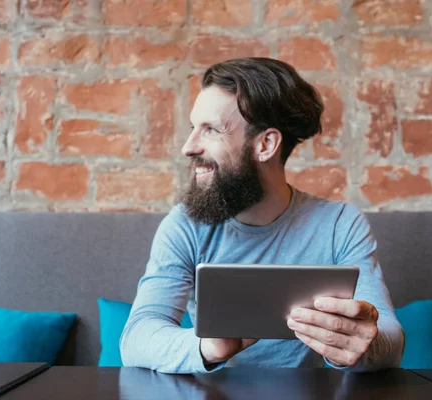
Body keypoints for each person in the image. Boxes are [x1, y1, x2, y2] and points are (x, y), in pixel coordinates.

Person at [120, 57, 405, 374]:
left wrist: (360, 345)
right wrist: (208, 347)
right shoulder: (186, 224)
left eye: (210, 130)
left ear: (266, 144)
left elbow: (389, 340)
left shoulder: (341, 224)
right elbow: (136, 337)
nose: (188, 147)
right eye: (192, 128)